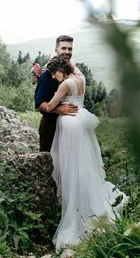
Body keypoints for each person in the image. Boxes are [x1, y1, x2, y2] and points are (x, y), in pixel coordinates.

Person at [44, 54, 128, 248]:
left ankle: (77, 211)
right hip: (80, 122)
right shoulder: (80, 78)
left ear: (61, 70)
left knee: (71, 165)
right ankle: (87, 200)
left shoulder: (65, 84)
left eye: (54, 73)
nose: (54, 77)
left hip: (71, 127)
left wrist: (58, 108)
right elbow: (74, 70)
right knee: (84, 163)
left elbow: (49, 106)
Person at [34, 35, 79, 152]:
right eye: (63, 48)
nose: (67, 52)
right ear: (56, 50)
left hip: (70, 126)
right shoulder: (48, 75)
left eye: (70, 49)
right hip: (50, 126)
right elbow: (39, 102)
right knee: (49, 161)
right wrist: (58, 109)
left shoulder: (73, 72)